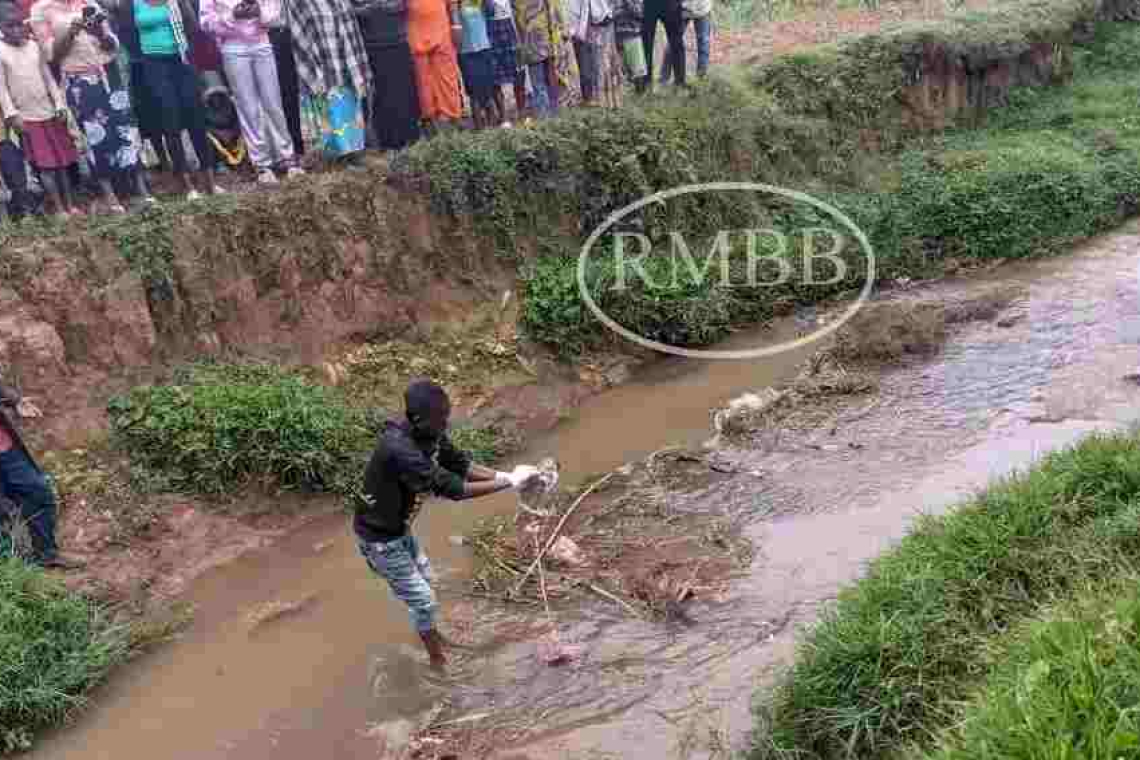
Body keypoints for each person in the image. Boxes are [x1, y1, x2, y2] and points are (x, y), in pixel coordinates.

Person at [355, 380, 539, 672]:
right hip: (380, 540)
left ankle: (432, 635)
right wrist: (508, 484)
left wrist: (509, 475)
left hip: (400, 530)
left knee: (426, 581)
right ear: (417, 419)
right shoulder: (400, 450)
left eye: (446, 417)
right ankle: (437, 661)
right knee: (425, 601)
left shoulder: (430, 432)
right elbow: (452, 488)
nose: (445, 425)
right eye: (441, 420)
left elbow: (460, 464)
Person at [31, 0, 156, 213]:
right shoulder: (41, 10)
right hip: (79, 80)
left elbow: (112, 45)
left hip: (109, 73)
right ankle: (111, 197)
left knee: (127, 132)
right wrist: (71, 31)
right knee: (95, 138)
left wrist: (99, 32)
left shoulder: (89, 2)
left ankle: (142, 192)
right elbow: (51, 55)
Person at [117, 0, 223, 200]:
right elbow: (127, 34)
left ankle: (209, 181)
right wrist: (146, 54)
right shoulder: (131, 3)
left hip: (182, 60)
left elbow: (193, 26)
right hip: (153, 65)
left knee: (196, 120)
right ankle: (187, 184)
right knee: (170, 122)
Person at [199, 0, 303, 184]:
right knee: (247, 107)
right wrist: (232, 16)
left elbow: (275, 14)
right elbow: (206, 22)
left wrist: (259, 12)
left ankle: (287, 158)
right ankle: (262, 165)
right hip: (232, 48)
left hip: (262, 43)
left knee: (273, 103)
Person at [0, 3, 80, 217]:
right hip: (26, 118)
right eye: (10, 26)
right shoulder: (0, 52)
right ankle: (58, 207)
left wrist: (60, 104)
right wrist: (12, 115)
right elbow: (2, 89)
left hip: (49, 112)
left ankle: (70, 205)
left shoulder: (34, 47)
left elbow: (48, 78)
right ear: (1, 27)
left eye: (19, 25)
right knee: (45, 166)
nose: (16, 30)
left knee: (62, 161)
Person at [0, 376, 83, 570]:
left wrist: (16, 400)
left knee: (38, 493)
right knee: (3, 511)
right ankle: (12, 572)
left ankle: (46, 554)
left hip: (6, 450)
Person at [286, 0, 372, 162]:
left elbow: (351, 29)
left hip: (345, 62)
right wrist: (313, 71)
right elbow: (299, 37)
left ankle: (352, 151)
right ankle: (330, 155)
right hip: (320, 67)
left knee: (346, 103)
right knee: (327, 108)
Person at [350, 0, 421, 151]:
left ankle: (410, 138)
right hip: (372, 46)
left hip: (398, 41)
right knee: (382, 95)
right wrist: (373, 8)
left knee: (404, 92)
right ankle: (388, 143)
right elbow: (351, 11)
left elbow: (404, 5)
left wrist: (385, 7)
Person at [406, 0, 461, 134]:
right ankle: (430, 123)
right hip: (415, 36)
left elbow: (452, 4)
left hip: (442, 32)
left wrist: (457, 25)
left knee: (447, 79)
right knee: (423, 84)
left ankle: (451, 122)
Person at [567, 0, 617, 107]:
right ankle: (591, 98)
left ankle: (600, 98)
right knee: (588, 67)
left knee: (599, 64)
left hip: (597, 25)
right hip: (582, 30)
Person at [456, 0, 494, 127]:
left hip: (484, 47)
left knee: (488, 89)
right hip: (466, 53)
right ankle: (479, 128)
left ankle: (493, 128)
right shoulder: (456, 4)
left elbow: (491, 11)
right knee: (474, 92)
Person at [486, 0, 520, 122]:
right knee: (495, 74)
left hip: (508, 24)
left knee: (516, 70)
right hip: (490, 27)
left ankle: (518, 110)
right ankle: (504, 114)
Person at [658, 0, 706, 84]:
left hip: (703, 7)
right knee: (673, 41)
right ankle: (664, 78)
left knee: (703, 42)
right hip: (683, 8)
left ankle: (701, 78)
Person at [641, 0, 682, 91]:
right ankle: (645, 84)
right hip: (650, 4)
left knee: (677, 44)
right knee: (646, 45)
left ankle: (680, 82)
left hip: (668, 4)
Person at [611, 0, 644, 92]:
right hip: (617, 35)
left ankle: (639, 91)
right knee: (619, 66)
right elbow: (609, 13)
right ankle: (620, 89)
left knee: (637, 68)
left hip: (633, 35)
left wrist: (627, 2)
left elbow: (639, 13)